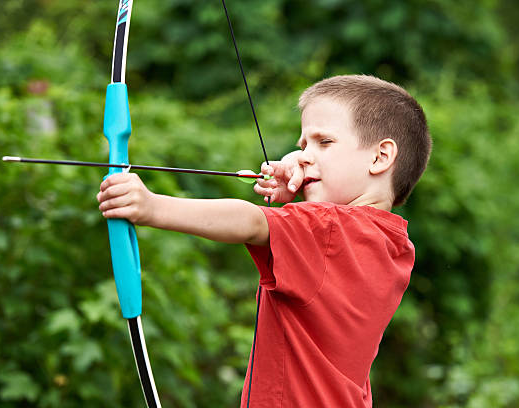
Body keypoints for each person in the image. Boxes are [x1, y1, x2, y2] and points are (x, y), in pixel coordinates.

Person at [97, 74, 432, 407]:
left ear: (380, 157)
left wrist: (151, 207)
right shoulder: (392, 244)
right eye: (303, 145)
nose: (304, 156)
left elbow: (250, 221)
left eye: (324, 142)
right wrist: (299, 203)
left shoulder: (328, 231)